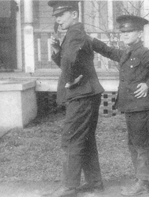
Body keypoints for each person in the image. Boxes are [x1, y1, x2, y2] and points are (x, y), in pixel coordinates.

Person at [91, 15, 149, 196]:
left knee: (141, 144)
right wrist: (91, 41)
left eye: (129, 31)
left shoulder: (142, 53)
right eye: (123, 32)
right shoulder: (128, 53)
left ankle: (143, 183)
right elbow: (109, 51)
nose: (125, 35)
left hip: (141, 107)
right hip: (132, 106)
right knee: (134, 144)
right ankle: (141, 179)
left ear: (139, 33)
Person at [45, 1, 105, 197]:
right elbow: (67, 61)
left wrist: (70, 80)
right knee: (85, 140)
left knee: (71, 139)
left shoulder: (76, 33)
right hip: (87, 93)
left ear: (74, 14)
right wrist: (57, 52)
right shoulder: (74, 35)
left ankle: (70, 187)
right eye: (56, 16)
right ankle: (94, 183)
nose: (57, 19)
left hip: (82, 95)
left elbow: (70, 61)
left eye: (61, 15)